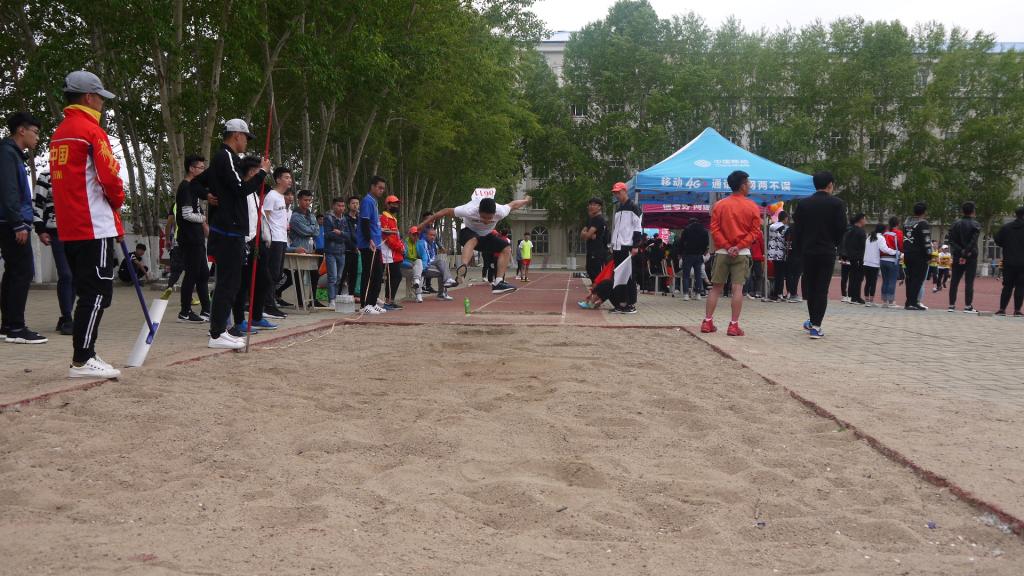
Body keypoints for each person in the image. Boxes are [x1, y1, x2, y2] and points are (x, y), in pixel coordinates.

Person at [50, 71, 125, 376]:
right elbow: (110, 178)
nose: (102, 105)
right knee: (97, 293)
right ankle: (83, 358)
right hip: (94, 225)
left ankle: (86, 353)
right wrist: (118, 201)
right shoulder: (91, 131)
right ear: (89, 97)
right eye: (100, 98)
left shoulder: (60, 133)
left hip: (69, 227)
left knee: (87, 292)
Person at [189, 118, 270, 349]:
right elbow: (240, 188)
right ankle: (217, 334)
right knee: (228, 283)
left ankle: (220, 331)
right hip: (228, 231)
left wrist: (207, 195)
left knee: (231, 283)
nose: (247, 142)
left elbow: (197, 184)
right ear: (237, 136)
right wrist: (262, 173)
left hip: (230, 231)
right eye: (246, 137)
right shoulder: (225, 157)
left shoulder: (227, 159)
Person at [417, 190, 532, 295]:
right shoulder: (469, 209)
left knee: (506, 248)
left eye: (490, 218)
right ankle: (463, 268)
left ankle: (498, 283)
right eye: (483, 217)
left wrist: (526, 200)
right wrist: (422, 225)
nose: (486, 221)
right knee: (473, 239)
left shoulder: (501, 211)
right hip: (467, 233)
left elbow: (514, 204)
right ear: (478, 211)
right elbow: (444, 211)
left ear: (494, 213)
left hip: (486, 236)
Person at [1, 111, 47, 344]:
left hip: (10, 221)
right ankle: (17, 328)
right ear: (21, 130)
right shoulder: (7, 153)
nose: (37, 138)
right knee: (23, 271)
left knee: (13, 272)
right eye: (35, 132)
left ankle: (8, 325)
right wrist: (18, 223)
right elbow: (9, 190)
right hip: (11, 222)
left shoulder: (12, 154)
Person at [701, 171, 761, 335]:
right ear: (742, 186)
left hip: (722, 252)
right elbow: (755, 231)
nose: (750, 185)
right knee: (737, 289)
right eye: (748, 183)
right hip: (742, 253)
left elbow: (715, 229)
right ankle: (733, 325)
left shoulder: (719, 205)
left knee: (715, 288)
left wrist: (727, 246)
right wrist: (739, 246)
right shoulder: (752, 206)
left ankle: (707, 322)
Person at [791, 171, 846, 339]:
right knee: (822, 289)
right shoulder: (837, 203)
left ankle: (812, 321)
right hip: (827, 251)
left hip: (808, 251)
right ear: (830, 184)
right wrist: (834, 243)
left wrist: (798, 250)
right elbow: (841, 228)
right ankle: (816, 325)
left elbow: (797, 230)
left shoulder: (803, 204)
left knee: (811, 287)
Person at [232, 155, 276, 334]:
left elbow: (259, 218)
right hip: (245, 242)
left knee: (264, 281)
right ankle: (239, 320)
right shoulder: (242, 191)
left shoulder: (254, 194)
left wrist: (265, 236)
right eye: (259, 171)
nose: (262, 176)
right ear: (251, 172)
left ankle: (256, 316)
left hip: (258, 242)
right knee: (243, 284)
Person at [32, 172, 75, 335]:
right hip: (56, 232)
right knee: (66, 275)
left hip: (78, 231)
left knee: (75, 276)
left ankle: (65, 316)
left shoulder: (79, 172)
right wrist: (40, 229)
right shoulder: (47, 175)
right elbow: (37, 204)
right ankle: (67, 318)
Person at [174, 154, 210, 322]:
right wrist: (203, 219)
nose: (203, 170)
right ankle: (185, 311)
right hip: (189, 237)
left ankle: (207, 309)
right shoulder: (186, 187)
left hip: (197, 237)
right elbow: (187, 214)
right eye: (201, 168)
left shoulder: (194, 187)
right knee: (192, 274)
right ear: (191, 168)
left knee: (203, 273)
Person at [605, 182, 643, 313]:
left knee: (628, 276)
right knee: (619, 276)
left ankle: (630, 304)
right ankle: (620, 303)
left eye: (618, 192)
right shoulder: (619, 208)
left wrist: (635, 245)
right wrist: (612, 244)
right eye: (615, 193)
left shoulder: (633, 207)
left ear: (625, 191)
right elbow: (617, 229)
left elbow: (638, 227)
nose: (617, 195)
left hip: (627, 246)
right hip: (617, 247)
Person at [261, 167, 292, 318]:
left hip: (282, 238)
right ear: (278, 179)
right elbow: (265, 217)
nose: (289, 180)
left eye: (290, 178)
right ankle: (267, 305)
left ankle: (270, 302)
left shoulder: (281, 197)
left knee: (278, 273)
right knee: (272, 273)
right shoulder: (272, 196)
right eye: (286, 177)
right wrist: (267, 236)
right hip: (273, 239)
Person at [356, 176, 387, 314]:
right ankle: (365, 304)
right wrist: (369, 239)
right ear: (372, 186)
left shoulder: (374, 202)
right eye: (379, 187)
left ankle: (373, 302)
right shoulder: (367, 201)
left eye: (383, 188)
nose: (381, 190)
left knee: (378, 274)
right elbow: (364, 222)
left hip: (377, 243)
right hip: (368, 244)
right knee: (368, 274)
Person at [288, 189, 324, 308]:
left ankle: (313, 299)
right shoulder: (295, 216)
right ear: (299, 200)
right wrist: (312, 228)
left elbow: (317, 232)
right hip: (299, 248)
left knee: (314, 274)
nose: (307, 202)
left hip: (311, 249)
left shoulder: (312, 215)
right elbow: (304, 231)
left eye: (309, 200)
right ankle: (300, 301)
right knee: (299, 275)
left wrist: (311, 229)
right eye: (305, 200)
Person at [946, 201, 982, 313]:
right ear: (973, 211)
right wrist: (966, 253)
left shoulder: (955, 224)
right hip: (971, 256)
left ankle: (951, 305)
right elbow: (973, 241)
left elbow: (951, 240)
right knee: (969, 281)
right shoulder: (976, 225)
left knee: (954, 281)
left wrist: (961, 252)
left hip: (958, 255)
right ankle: (968, 306)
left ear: (962, 211)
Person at [994, 205, 1024, 316]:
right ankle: (1017, 310)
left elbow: (997, 240)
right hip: (1022, 263)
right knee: (1020, 286)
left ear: (1016, 214)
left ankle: (1002, 309)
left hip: (1008, 261)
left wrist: (1006, 244)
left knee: (1007, 286)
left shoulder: (1006, 228)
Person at [902, 202, 932, 310]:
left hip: (907, 253)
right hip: (919, 255)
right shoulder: (923, 223)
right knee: (918, 279)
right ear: (924, 212)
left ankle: (908, 302)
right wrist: (929, 255)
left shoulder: (906, 223)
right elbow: (926, 241)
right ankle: (913, 302)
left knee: (909, 278)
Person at [323, 197, 350, 308]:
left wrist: (340, 233)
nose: (341, 208)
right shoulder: (328, 218)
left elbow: (348, 235)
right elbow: (328, 235)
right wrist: (341, 235)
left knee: (339, 277)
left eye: (343, 206)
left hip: (342, 252)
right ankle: (331, 300)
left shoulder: (345, 219)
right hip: (331, 251)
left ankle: (336, 297)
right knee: (332, 277)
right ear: (334, 206)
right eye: (339, 205)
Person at [417, 226, 456, 300]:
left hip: (430, 265)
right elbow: (426, 258)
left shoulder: (433, 244)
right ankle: (444, 289)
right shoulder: (422, 242)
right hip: (423, 266)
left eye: (434, 235)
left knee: (442, 267)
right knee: (442, 268)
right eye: (431, 235)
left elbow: (433, 257)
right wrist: (436, 265)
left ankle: (446, 284)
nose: (432, 237)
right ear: (426, 235)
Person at [379, 195, 405, 309]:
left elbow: (396, 236)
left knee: (395, 277)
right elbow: (387, 237)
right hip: (388, 253)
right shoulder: (384, 218)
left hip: (395, 253)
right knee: (393, 277)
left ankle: (390, 300)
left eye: (397, 204)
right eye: (393, 204)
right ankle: (388, 301)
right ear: (387, 205)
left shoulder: (393, 219)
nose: (396, 206)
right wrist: (399, 247)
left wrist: (401, 246)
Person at [679, 217, 709, 300]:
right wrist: (702, 251)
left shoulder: (686, 230)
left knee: (686, 275)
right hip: (699, 255)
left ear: (689, 223)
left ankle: (686, 295)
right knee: (698, 275)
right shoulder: (704, 230)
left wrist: (680, 253)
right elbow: (706, 243)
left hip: (688, 254)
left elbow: (681, 242)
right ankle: (698, 294)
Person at [581, 197, 608, 283]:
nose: (591, 207)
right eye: (590, 205)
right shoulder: (590, 220)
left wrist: (588, 234)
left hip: (598, 250)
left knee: (596, 271)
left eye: (594, 205)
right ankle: (595, 287)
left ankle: (597, 288)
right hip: (591, 249)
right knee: (589, 269)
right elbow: (582, 235)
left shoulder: (598, 219)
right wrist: (588, 234)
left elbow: (587, 235)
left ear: (599, 207)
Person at [843, 213, 867, 304]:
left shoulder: (850, 230)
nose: (865, 221)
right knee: (858, 277)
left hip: (852, 256)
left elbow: (846, 244)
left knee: (852, 276)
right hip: (859, 257)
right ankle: (856, 297)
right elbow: (863, 246)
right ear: (860, 220)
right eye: (864, 219)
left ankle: (851, 296)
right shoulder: (860, 231)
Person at [767, 211, 789, 302]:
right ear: (785, 218)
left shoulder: (771, 226)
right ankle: (779, 293)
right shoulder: (785, 228)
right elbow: (786, 240)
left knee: (776, 273)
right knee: (781, 274)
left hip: (772, 253)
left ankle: (775, 293)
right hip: (781, 253)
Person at [879, 221, 901, 308]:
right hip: (892, 259)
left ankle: (884, 301)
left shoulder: (884, 234)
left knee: (885, 280)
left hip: (882, 259)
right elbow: (900, 245)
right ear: (897, 224)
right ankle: (891, 302)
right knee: (892, 280)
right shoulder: (897, 233)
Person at [342, 196, 360, 298]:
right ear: (348, 205)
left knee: (354, 274)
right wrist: (354, 246)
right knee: (343, 274)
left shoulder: (359, 219)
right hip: (347, 250)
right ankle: (338, 296)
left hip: (356, 251)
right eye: (353, 203)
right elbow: (347, 235)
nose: (355, 205)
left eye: (357, 203)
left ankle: (351, 295)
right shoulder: (345, 218)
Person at [862, 223, 884, 307]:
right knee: (873, 282)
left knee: (867, 282)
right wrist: (894, 252)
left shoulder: (869, 237)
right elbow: (884, 249)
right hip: (874, 264)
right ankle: (871, 301)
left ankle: (866, 300)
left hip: (866, 262)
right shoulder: (880, 238)